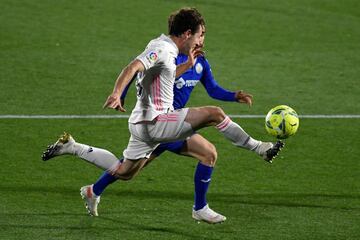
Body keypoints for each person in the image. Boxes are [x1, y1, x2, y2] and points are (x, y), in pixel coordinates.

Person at [42, 7, 284, 224]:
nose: (201, 40)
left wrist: (186, 67)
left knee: (125, 171)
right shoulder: (161, 48)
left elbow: (163, 75)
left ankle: (73, 149)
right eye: (200, 34)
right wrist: (117, 93)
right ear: (188, 33)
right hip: (156, 121)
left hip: (145, 125)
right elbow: (133, 67)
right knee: (214, 113)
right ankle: (259, 148)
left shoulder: (167, 50)